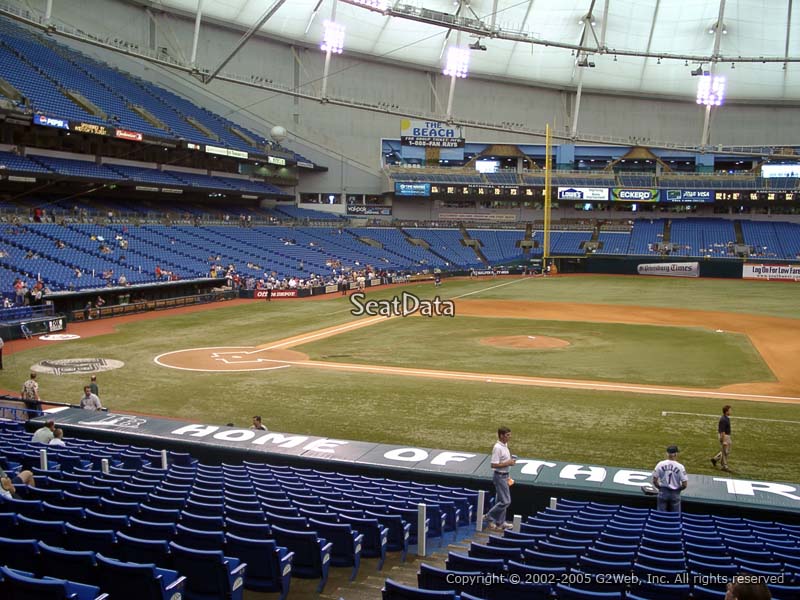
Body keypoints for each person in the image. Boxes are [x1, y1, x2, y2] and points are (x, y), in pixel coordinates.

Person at [483, 426, 516, 531]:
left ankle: (500, 523)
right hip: (499, 476)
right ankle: (489, 517)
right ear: (501, 435)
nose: (509, 437)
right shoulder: (497, 448)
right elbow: (493, 464)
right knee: (506, 501)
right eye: (507, 435)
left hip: (505, 476)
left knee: (501, 500)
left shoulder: (505, 445)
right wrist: (508, 463)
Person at [652, 445, 688, 513]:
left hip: (663, 492)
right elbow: (685, 485)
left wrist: (660, 488)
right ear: (675, 454)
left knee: (660, 515)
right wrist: (677, 490)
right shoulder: (680, 467)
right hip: (675, 493)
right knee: (675, 516)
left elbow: (654, 480)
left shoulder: (660, 464)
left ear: (667, 453)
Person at [711, 405, 732, 471]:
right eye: (730, 410)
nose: (731, 411)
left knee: (725, 451)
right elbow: (722, 431)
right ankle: (724, 466)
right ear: (726, 411)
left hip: (726, 436)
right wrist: (723, 441)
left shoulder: (726, 418)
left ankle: (715, 459)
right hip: (724, 436)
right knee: (725, 452)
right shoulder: (723, 420)